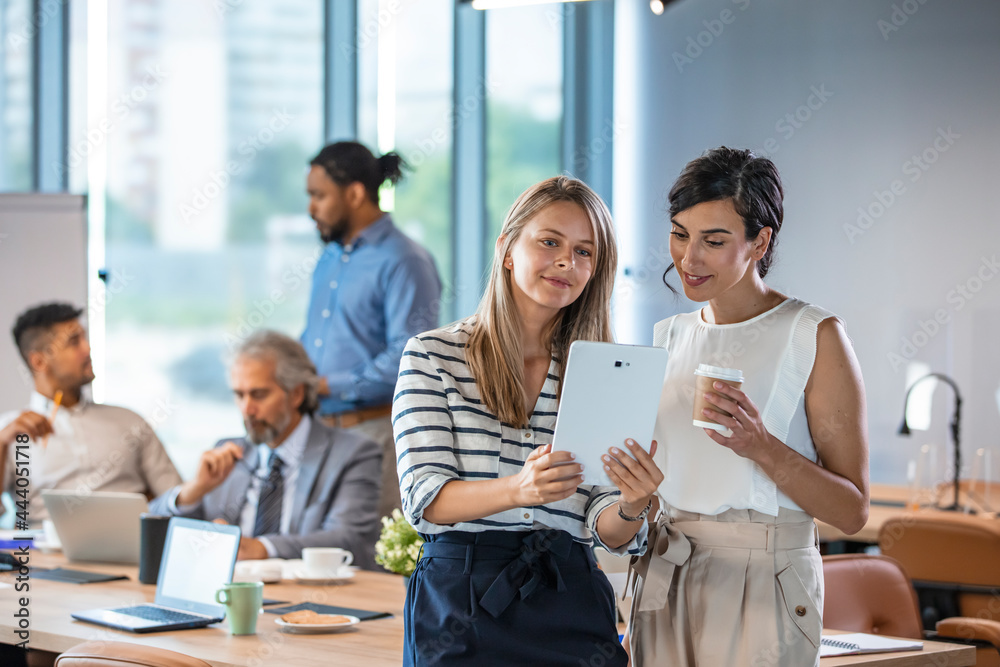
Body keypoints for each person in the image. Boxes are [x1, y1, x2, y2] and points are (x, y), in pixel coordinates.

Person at [393, 176, 663, 666]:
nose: (567, 262)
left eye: (584, 252)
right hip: (460, 602)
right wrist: (519, 489)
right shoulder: (433, 356)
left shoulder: (601, 373)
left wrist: (632, 503)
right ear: (507, 250)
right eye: (550, 242)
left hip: (572, 598)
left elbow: (605, 526)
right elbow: (424, 499)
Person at [627, 147, 870, 667]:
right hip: (668, 569)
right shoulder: (668, 337)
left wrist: (760, 446)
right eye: (680, 234)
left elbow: (852, 512)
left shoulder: (814, 335)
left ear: (760, 242)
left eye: (714, 241)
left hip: (765, 578)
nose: (689, 259)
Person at [149, 330, 383, 569]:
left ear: (296, 394)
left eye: (258, 395)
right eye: (239, 395)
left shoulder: (353, 453)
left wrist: (263, 548)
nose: (246, 409)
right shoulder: (226, 453)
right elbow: (152, 527)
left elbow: (348, 539)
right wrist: (194, 490)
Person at [303, 141, 442, 522]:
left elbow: (410, 358)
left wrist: (327, 385)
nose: (311, 208)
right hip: (320, 432)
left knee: (368, 550)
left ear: (354, 193)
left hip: (374, 433)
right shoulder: (331, 257)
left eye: (319, 196)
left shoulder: (405, 260)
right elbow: (315, 337)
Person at [0, 303, 182, 524]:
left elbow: (176, 499)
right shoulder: (8, 433)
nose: (87, 349)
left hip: (129, 543)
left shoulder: (129, 421)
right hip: (43, 545)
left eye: (84, 338)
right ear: (39, 361)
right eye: (74, 342)